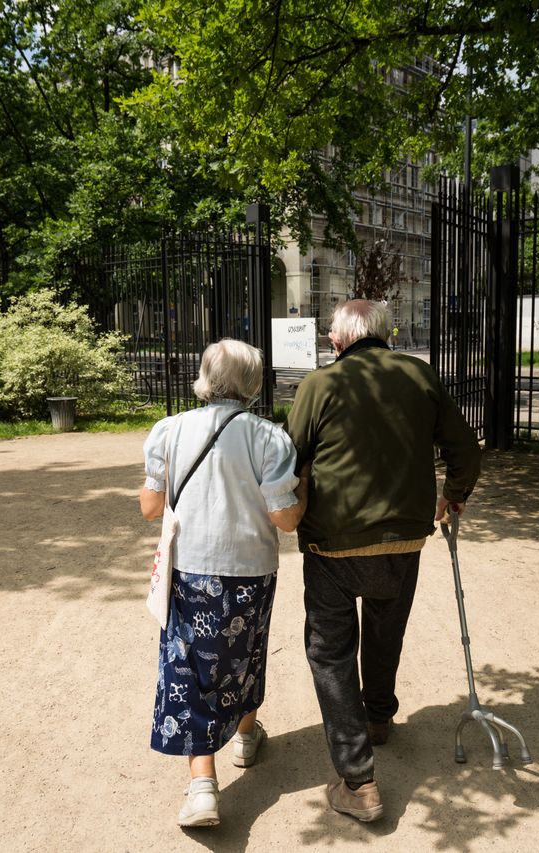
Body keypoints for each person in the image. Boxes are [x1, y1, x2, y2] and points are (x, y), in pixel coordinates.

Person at [285, 300, 481, 822]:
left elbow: (290, 457)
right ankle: (377, 716)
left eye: (331, 333)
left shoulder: (319, 385)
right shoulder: (420, 375)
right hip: (403, 538)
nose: (328, 340)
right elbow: (465, 448)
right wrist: (454, 493)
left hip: (333, 540)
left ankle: (359, 781)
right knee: (385, 627)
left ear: (345, 337)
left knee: (330, 652)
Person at [139, 338, 307, 828]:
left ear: (205, 378)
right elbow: (287, 520)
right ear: (254, 384)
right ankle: (246, 736)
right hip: (251, 568)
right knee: (247, 651)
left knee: (188, 669)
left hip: (190, 567)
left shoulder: (169, 430)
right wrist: (304, 495)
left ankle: (202, 789)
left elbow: (150, 508)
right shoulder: (269, 438)